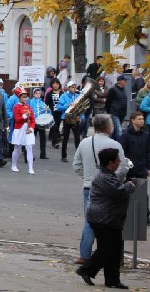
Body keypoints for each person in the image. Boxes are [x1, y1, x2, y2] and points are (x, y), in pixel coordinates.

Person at [72, 114, 129, 264]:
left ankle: (85, 255)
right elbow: (123, 168)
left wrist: (88, 177)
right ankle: (107, 255)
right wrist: (114, 181)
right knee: (109, 223)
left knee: (90, 221)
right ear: (109, 127)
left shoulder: (85, 142)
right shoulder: (114, 144)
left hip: (89, 186)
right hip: (109, 189)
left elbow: (76, 166)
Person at [76, 148, 135, 289]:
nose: (119, 162)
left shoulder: (107, 174)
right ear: (110, 163)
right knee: (107, 249)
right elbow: (119, 192)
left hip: (108, 218)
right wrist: (129, 185)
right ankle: (86, 270)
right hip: (103, 218)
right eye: (117, 160)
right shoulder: (104, 177)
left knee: (114, 249)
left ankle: (112, 279)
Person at [10, 88, 36, 175]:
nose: (25, 99)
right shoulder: (16, 107)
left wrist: (31, 129)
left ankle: (31, 168)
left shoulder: (29, 107)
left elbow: (33, 120)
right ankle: (14, 165)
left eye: (26, 97)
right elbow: (17, 119)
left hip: (28, 130)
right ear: (19, 98)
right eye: (23, 97)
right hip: (19, 129)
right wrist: (25, 115)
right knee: (17, 148)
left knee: (29, 147)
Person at [105, 75, 128, 140]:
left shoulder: (124, 89)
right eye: (124, 80)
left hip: (122, 113)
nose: (126, 82)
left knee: (115, 130)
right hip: (114, 113)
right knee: (119, 130)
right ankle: (120, 144)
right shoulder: (113, 89)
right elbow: (108, 101)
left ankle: (113, 142)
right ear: (120, 81)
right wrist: (109, 111)